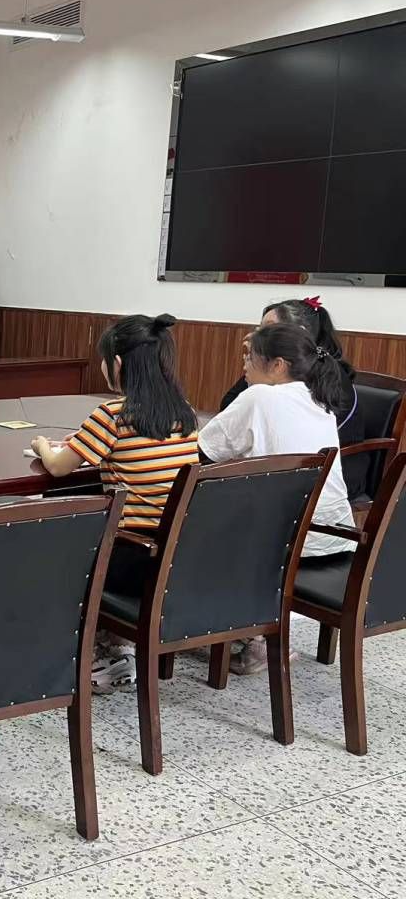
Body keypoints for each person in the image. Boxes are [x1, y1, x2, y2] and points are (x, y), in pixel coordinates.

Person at [31, 314, 200, 693]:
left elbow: (58, 467)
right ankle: (115, 645)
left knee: (58, 541)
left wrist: (43, 445)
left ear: (118, 363)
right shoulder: (184, 412)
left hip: (132, 559)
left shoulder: (112, 416)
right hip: (176, 556)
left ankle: (97, 653)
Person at [199, 322, 356, 675]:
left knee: (196, 524)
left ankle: (242, 634)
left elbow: (203, 451)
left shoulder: (259, 397)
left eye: (250, 356)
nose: (243, 363)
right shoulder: (318, 400)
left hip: (287, 544)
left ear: (278, 365)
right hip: (335, 537)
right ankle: (250, 632)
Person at [221, 295, 367, 498]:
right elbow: (229, 405)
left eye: (269, 329)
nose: (259, 336)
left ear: (297, 333)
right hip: (291, 471)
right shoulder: (277, 367)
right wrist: (255, 365)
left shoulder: (325, 374)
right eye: (260, 329)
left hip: (331, 475)